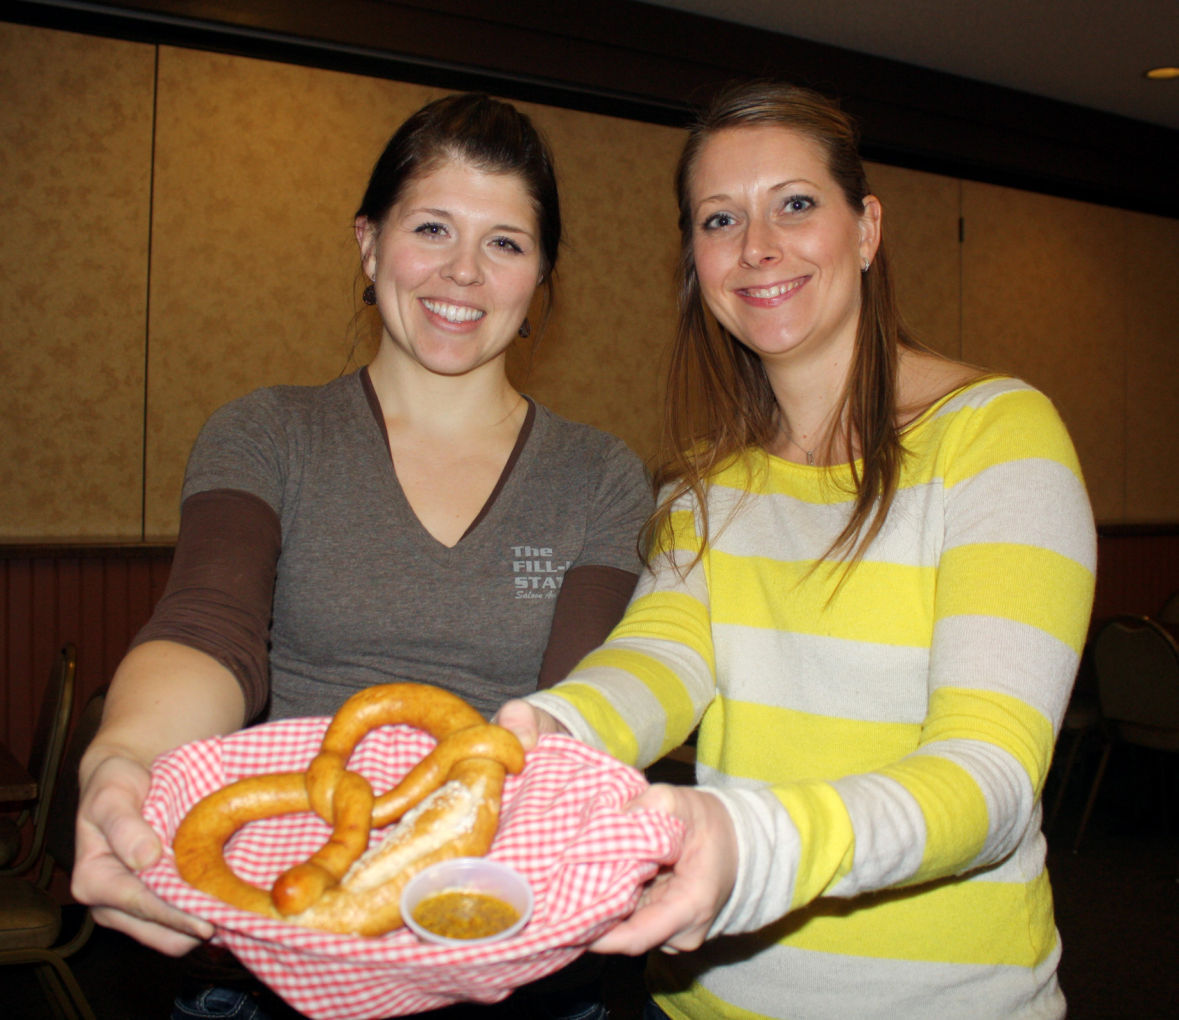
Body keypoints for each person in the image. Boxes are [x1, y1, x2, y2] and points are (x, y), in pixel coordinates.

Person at [497, 79, 1097, 1019]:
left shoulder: (998, 439)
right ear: (693, 258)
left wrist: (753, 847)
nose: (757, 247)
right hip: (695, 1000)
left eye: (796, 204)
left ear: (865, 229)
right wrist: (545, 733)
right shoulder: (708, 480)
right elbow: (662, 654)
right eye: (720, 218)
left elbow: (991, 781)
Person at [72, 93, 652, 1019]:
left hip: (505, 940)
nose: (463, 272)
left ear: (540, 277)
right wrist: (127, 758)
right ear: (370, 243)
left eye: (505, 242)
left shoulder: (600, 474)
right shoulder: (267, 433)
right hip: (275, 939)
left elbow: (575, 712)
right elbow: (207, 628)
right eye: (432, 227)